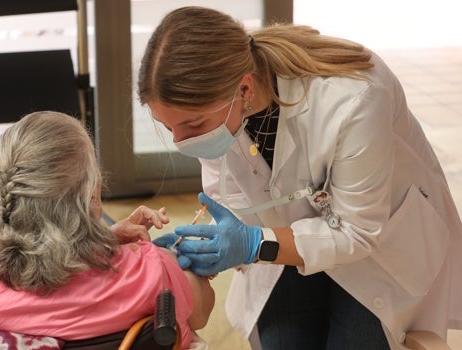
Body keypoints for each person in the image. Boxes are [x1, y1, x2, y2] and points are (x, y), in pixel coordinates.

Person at [141, 6, 462, 350]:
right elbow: (231, 197)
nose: (181, 140)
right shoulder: (217, 111)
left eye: (193, 126)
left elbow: (357, 230)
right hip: (287, 248)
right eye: (168, 127)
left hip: (378, 253)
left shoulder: (353, 96)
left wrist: (251, 244)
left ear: (245, 90)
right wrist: (208, 245)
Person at [0, 111, 215, 349]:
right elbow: (199, 314)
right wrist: (180, 262)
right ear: (91, 196)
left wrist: (103, 242)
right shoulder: (152, 274)